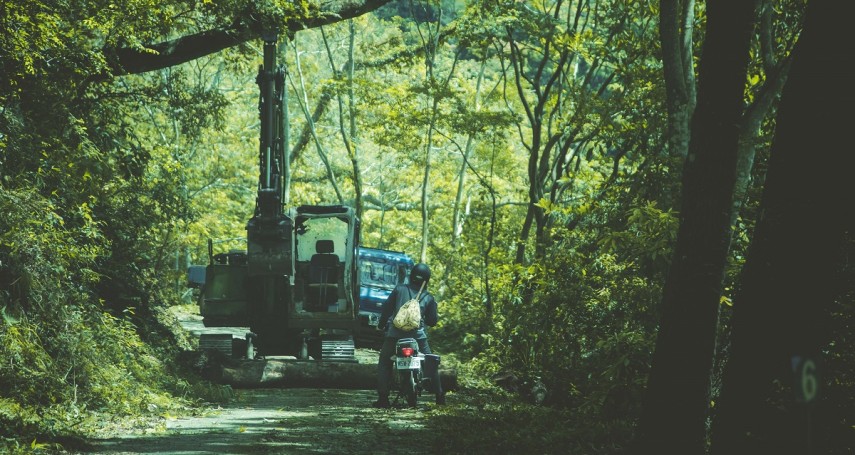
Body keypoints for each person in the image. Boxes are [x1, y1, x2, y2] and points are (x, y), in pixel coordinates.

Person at [373, 262, 445, 408]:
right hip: (418, 337)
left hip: (394, 336)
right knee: (430, 363)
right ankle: (439, 396)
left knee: (385, 363)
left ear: (411, 276)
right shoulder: (428, 297)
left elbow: (386, 310)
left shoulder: (399, 289)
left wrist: (381, 326)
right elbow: (432, 321)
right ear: (427, 280)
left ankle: (383, 398)